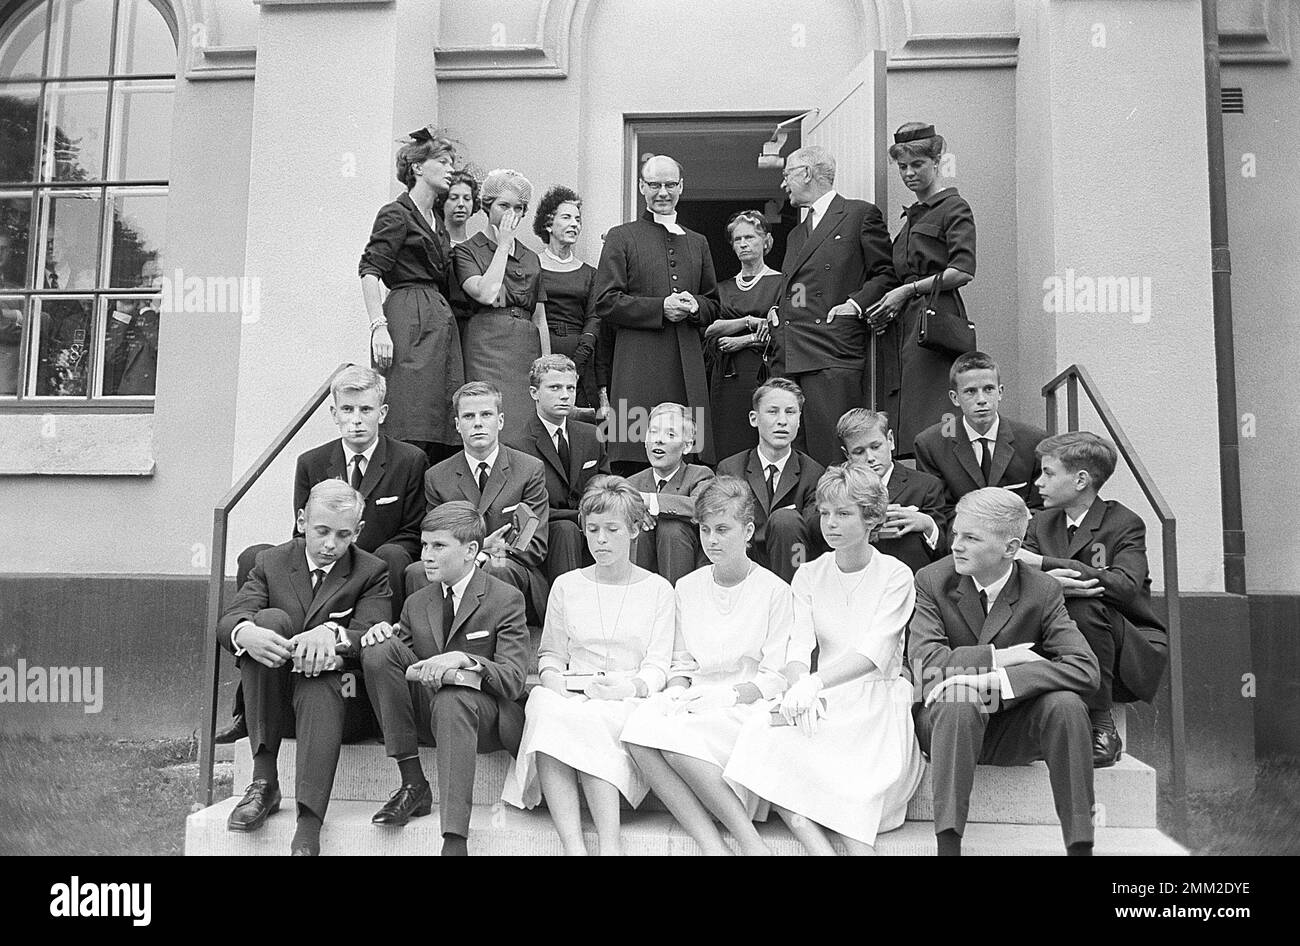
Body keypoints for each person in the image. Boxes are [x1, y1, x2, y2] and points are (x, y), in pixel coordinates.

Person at [219, 367, 429, 745]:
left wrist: (357, 561)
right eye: (347, 410)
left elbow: (413, 532)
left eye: (365, 409)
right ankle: (249, 700)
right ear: (333, 413)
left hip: (376, 571)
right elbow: (302, 532)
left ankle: (378, 676)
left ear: (382, 413)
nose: (356, 420)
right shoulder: (312, 462)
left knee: (395, 556)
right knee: (255, 557)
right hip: (323, 566)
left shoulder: (409, 459)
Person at [724, 463, 924, 855]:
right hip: (820, 697)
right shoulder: (810, 574)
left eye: (844, 514)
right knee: (761, 738)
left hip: (876, 699)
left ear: (872, 519)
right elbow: (796, 649)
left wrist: (816, 683)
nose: (830, 524)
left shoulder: (897, 575)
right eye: (826, 513)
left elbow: (875, 652)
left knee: (848, 788)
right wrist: (801, 684)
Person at [909, 488, 1100, 856]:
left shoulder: (1041, 589)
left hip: (1011, 726)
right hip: (947, 724)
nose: (955, 546)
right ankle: (948, 847)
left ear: (1010, 548)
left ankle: (1080, 846)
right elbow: (926, 665)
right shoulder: (933, 580)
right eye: (956, 533)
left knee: (1066, 705)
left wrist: (996, 681)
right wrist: (999, 658)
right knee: (959, 699)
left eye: (971, 538)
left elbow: (1085, 668)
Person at [216, 480, 393, 856]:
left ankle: (308, 826)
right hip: (275, 697)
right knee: (268, 620)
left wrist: (331, 634)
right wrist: (245, 633)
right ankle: (264, 782)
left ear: (358, 531)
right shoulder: (271, 562)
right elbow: (232, 618)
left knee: (319, 683)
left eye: (343, 535)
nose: (331, 544)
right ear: (301, 521)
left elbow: (370, 634)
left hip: (342, 703)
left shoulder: (372, 571)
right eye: (322, 531)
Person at [501, 477, 675, 855]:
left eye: (612, 530)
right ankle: (574, 846)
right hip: (573, 690)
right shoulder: (566, 585)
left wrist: (629, 688)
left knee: (589, 721)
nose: (601, 540)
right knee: (545, 707)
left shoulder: (658, 589)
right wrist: (552, 680)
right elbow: (549, 654)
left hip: (627, 696)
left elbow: (659, 665)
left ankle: (609, 846)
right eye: (593, 530)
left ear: (634, 530)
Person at [621, 476, 793, 855]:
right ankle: (712, 844)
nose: (712, 539)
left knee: (678, 741)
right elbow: (680, 662)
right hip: (695, 697)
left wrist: (727, 696)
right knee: (638, 732)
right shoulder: (687, 586)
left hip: (745, 704)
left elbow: (775, 677)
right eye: (704, 529)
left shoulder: (775, 591)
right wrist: (679, 693)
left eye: (722, 529)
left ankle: (749, 842)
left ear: (748, 531)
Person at [359, 502, 529, 856]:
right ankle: (412, 782)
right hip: (430, 709)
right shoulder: (417, 601)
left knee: (453, 699)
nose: (426, 557)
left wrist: (466, 660)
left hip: (485, 717)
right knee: (379, 648)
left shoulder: (505, 598)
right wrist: (384, 640)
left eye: (438, 546)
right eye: (423, 546)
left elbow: (513, 680)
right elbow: (402, 669)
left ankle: (454, 840)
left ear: (470, 551)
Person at [1018, 431, 1169, 767]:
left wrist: (1047, 566)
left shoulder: (1123, 523)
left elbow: (1125, 585)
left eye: (1048, 473)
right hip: (1052, 635)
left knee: (1084, 604)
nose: (1039, 483)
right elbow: (1017, 576)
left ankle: (1100, 722)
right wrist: (1051, 584)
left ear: (1081, 480)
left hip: (1124, 645)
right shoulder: (1040, 522)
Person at [767, 145, 895, 467]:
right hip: (791, 353)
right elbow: (798, 287)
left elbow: (885, 275)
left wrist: (854, 304)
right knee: (795, 457)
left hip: (832, 351)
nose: (784, 185)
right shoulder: (796, 234)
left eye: (787, 175)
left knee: (831, 455)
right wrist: (778, 308)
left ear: (807, 174)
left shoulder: (859, 215)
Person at [593, 154, 719, 468]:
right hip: (637, 364)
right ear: (641, 187)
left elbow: (713, 303)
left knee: (689, 455)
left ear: (681, 187)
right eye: (654, 185)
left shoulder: (698, 242)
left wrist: (693, 307)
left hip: (685, 363)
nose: (662, 192)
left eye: (670, 185)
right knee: (633, 453)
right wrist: (660, 308)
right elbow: (605, 301)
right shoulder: (621, 236)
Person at [863, 123, 977, 457]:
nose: (909, 173)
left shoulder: (954, 208)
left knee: (938, 411)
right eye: (902, 167)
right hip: (907, 324)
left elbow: (962, 270)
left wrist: (906, 291)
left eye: (917, 165)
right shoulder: (911, 218)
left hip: (937, 320)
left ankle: (943, 493)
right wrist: (891, 303)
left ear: (936, 161)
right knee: (908, 414)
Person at [359, 126, 464, 464]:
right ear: (418, 167)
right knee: (410, 414)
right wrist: (379, 326)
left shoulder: (436, 219)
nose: (450, 169)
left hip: (438, 321)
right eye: (443, 161)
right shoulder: (396, 213)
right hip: (408, 317)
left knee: (440, 421)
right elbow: (370, 271)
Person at [410, 381, 551, 625]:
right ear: (457, 425)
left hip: (510, 565)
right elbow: (434, 541)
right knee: (416, 571)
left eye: (486, 414)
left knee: (497, 567)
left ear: (501, 420)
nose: (477, 423)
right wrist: (481, 547)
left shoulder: (529, 469)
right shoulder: (437, 477)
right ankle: (430, 644)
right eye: (468, 416)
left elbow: (534, 544)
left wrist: (481, 557)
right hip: (458, 562)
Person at [454, 169, 550, 448]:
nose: (512, 213)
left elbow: (540, 317)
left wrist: (547, 364)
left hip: (524, 349)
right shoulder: (467, 250)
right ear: (487, 207)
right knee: (488, 418)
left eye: (518, 208)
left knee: (524, 426)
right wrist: (503, 244)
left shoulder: (530, 257)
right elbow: (485, 292)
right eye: (503, 206)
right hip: (485, 344)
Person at [717, 378, 823, 584]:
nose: (782, 421)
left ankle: (791, 600)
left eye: (790, 412)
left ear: (799, 420)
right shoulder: (730, 468)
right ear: (754, 418)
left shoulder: (814, 473)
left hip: (793, 562)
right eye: (773, 411)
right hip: (746, 565)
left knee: (786, 520)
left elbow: (814, 531)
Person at [515, 354, 611, 581]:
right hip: (549, 532)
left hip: (593, 526)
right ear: (534, 393)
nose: (565, 395)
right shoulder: (517, 445)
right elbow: (528, 510)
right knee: (566, 532)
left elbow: (605, 486)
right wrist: (578, 517)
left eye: (570, 387)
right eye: (555, 387)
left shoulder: (591, 435)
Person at [913, 351, 1048, 510]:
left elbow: (1041, 509)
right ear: (954, 398)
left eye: (989, 389)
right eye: (971, 391)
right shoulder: (931, 445)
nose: (981, 400)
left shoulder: (1033, 441)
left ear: (1000, 392)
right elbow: (939, 512)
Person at [836, 407, 949, 574]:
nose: (870, 458)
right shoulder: (838, 486)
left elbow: (943, 551)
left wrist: (927, 524)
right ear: (847, 455)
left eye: (876, 447)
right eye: (859, 452)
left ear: (890, 440)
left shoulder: (926, 486)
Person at [706, 210, 779, 459]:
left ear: (766, 241)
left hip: (764, 373)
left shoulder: (781, 284)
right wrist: (750, 321)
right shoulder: (722, 288)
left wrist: (742, 340)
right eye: (737, 239)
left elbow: (781, 330)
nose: (743, 244)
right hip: (727, 376)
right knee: (727, 441)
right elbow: (712, 329)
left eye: (750, 237)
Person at [533, 185, 607, 417]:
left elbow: (595, 316)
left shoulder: (590, 274)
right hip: (541, 348)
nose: (574, 224)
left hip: (582, 353)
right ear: (548, 224)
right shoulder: (530, 265)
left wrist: (581, 357)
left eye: (578, 219)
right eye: (566, 217)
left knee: (582, 422)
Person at [627, 402, 714, 585]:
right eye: (654, 432)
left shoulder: (700, 475)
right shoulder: (631, 484)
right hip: (641, 570)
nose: (659, 440)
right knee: (638, 529)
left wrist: (649, 501)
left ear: (687, 446)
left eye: (670, 434)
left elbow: (698, 506)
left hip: (686, 565)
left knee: (671, 528)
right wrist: (636, 512)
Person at [435, 169, 481, 338]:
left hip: (472, 330)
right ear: (441, 201)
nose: (461, 204)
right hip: (439, 325)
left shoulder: (478, 249)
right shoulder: (434, 245)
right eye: (454, 198)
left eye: (467, 198)